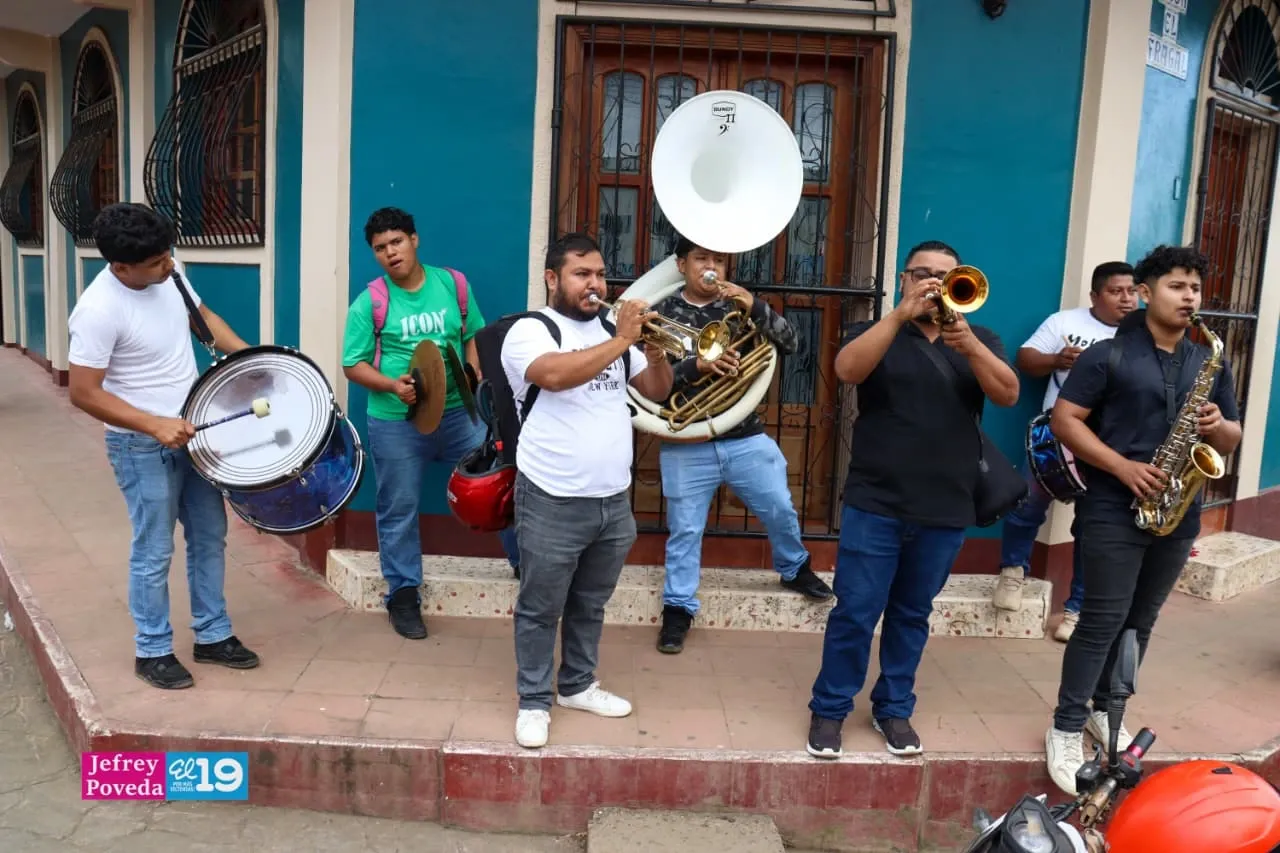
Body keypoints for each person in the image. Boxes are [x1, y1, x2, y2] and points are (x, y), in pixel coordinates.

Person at [806, 240, 1019, 758]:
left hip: (945, 505)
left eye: (945, 275)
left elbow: (1008, 393)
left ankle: (894, 708)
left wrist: (970, 347)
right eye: (921, 273)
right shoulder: (875, 330)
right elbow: (847, 371)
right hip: (875, 500)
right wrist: (899, 315)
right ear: (903, 279)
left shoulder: (979, 338)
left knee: (911, 614)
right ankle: (830, 708)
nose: (933, 283)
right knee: (855, 612)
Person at [1043, 245, 1240, 795]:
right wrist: (1122, 467)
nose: (1190, 297)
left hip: (1178, 511)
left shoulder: (1209, 360)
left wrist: (1219, 425)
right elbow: (1065, 420)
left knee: (1140, 622)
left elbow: (1232, 437)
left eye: (1195, 288)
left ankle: (1108, 712)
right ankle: (1065, 726)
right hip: (1113, 506)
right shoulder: (1106, 355)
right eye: (1178, 286)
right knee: (1102, 620)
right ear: (1147, 293)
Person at [67, 202, 260, 690]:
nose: (169, 264)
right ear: (121, 267)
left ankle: (212, 635)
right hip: (141, 447)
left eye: (167, 254)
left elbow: (204, 318)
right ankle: (152, 649)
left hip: (195, 435)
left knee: (210, 536)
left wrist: (252, 360)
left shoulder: (169, 273)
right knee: (154, 550)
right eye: (156, 262)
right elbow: (83, 392)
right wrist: (154, 425)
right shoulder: (98, 310)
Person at [500, 232, 674, 749]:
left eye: (599, 273)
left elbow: (657, 391)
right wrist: (622, 340)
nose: (594, 283)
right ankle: (534, 701)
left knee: (590, 602)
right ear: (552, 279)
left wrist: (656, 354)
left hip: (612, 500)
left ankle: (577, 685)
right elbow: (553, 376)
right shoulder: (531, 330)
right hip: (551, 496)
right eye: (581, 274)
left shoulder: (609, 330)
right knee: (540, 606)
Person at [341, 207, 519, 640]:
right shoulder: (370, 302)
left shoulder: (453, 285)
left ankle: (527, 566)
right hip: (396, 420)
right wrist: (391, 385)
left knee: (501, 485)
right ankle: (403, 595)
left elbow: (473, 335)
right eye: (380, 248)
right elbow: (352, 364)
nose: (390, 253)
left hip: (460, 415)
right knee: (398, 506)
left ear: (414, 239)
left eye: (396, 242)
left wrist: (472, 372)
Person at [650, 235, 833, 655]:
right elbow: (649, 384)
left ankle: (794, 568)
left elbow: (792, 344)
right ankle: (678, 609)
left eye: (718, 259)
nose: (711, 267)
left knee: (780, 507)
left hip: (745, 433)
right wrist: (697, 367)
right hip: (686, 437)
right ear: (681, 265)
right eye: (701, 258)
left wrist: (756, 306)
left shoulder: (742, 307)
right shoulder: (661, 313)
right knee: (685, 530)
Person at [992, 262, 1138, 642]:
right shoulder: (1065, 322)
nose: (1127, 299)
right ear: (1095, 295)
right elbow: (1025, 358)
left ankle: (1076, 609)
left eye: (1132, 291)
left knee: (1092, 526)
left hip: (1109, 445)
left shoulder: (1143, 334)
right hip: (1056, 437)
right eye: (1116, 291)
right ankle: (1013, 571)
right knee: (1026, 504)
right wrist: (1057, 360)